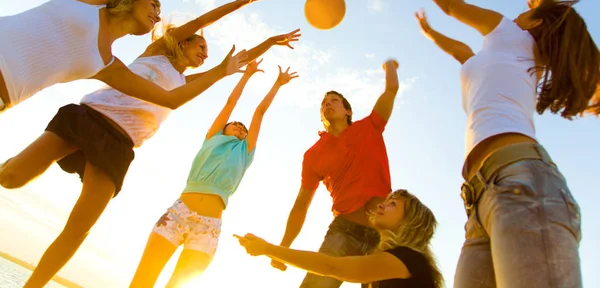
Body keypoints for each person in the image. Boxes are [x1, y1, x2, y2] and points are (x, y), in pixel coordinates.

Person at [0, 0, 301, 288]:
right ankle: (8, 164)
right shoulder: (156, 52)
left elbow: (236, 63)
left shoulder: (186, 82)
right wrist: (237, 4)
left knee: (79, 228)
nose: (205, 54)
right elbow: (201, 21)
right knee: (12, 177)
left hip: (119, 145)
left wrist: (270, 43)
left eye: (207, 53)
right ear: (182, 42)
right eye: (200, 46)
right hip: (88, 118)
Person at [409, 0, 600, 288]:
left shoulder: (511, 35)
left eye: (524, 13)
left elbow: (455, 5)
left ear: (535, 23)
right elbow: (460, 52)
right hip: (481, 198)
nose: (514, 15)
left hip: (522, 185)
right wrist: (430, 33)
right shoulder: (507, 55)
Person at [0, 0, 221, 114]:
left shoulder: (108, 66)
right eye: (153, 5)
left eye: (159, 13)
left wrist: (224, 70)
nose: (156, 15)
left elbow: (170, 100)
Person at [129, 61, 298, 288]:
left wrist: (277, 84)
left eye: (243, 128)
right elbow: (231, 103)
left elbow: (259, 113)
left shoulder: (244, 152)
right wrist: (246, 76)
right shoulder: (213, 138)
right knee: (143, 279)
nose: (240, 127)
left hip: (208, 226)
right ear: (223, 129)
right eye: (235, 124)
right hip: (179, 213)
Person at [273, 59, 400, 288]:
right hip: (343, 232)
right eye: (323, 103)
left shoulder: (370, 126)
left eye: (334, 100)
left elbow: (391, 90)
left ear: (347, 110)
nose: (327, 104)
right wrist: (283, 247)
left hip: (384, 235)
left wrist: (390, 67)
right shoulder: (313, 155)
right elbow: (301, 205)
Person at [235, 189, 443, 288]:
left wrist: (267, 249)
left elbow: (331, 266)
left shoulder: (408, 260)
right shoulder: (396, 261)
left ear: (410, 221)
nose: (382, 205)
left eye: (393, 204)